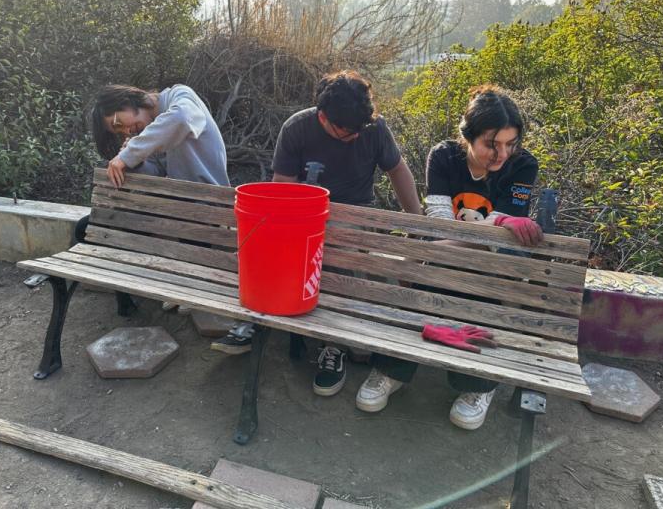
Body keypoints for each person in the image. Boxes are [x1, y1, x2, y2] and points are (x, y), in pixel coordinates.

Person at [211, 70, 423, 404]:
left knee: (341, 244)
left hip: (354, 215)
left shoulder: (373, 129)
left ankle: (335, 343)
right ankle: (262, 324)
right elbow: (281, 192)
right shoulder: (297, 128)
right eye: (345, 131)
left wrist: (417, 222)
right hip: (304, 217)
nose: (354, 136)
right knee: (269, 245)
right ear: (323, 117)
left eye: (359, 130)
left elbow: (397, 170)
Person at [423, 84, 543, 430]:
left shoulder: (523, 166)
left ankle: (480, 386)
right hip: (446, 261)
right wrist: (447, 246)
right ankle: (391, 369)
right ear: (469, 136)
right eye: (492, 143)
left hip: (494, 270)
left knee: (487, 292)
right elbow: (440, 223)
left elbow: (498, 238)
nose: (501, 154)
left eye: (510, 143)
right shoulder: (444, 157)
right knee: (419, 285)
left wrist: (434, 251)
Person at [91, 84, 229, 188]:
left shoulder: (179, 94)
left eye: (118, 124)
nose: (126, 131)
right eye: (119, 132)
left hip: (209, 203)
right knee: (85, 224)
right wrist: (137, 163)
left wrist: (129, 153)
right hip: (179, 205)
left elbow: (181, 118)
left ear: (124, 101)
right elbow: (156, 172)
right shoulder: (149, 134)